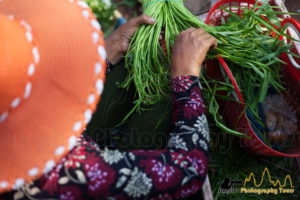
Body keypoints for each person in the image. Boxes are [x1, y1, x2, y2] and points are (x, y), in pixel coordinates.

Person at [0, 0, 217, 199]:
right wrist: (184, 77)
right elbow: (189, 170)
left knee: (125, 72)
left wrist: (107, 51)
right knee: (160, 98)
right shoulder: (65, 173)